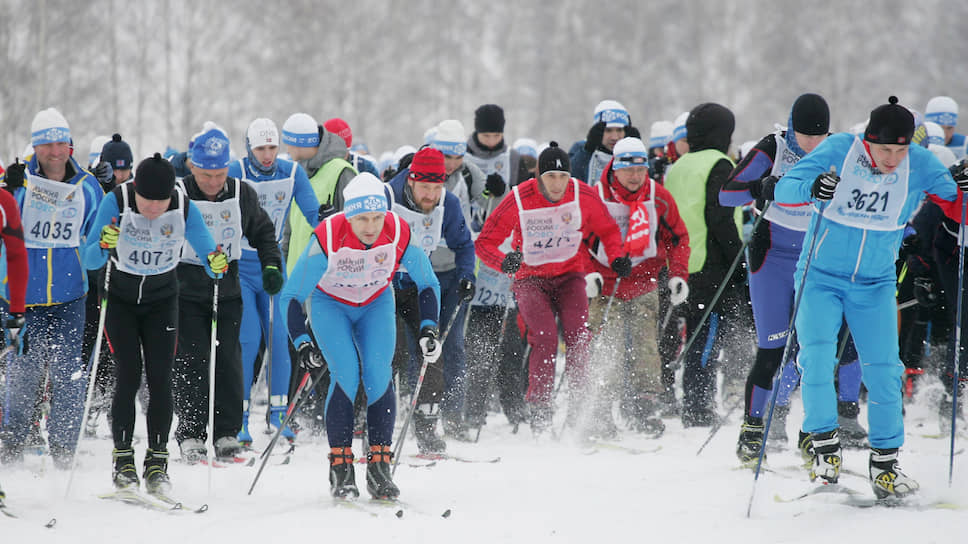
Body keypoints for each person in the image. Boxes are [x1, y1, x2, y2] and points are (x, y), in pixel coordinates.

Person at [774, 96, 966, 498]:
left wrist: (964, 189)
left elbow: (958, 210)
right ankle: (825, 445)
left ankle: (886, 463)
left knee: (884, 370)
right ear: (868, 141)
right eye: (884, 150)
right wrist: (813, 187)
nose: (892, 159)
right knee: (817, 356)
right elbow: (786, 189)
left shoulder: (920, 162)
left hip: (875, 282)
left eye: (900, 150)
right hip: (820, 276)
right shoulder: (841, 148)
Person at [719, 94, 863, 463]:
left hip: (815, 258)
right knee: (772, 349)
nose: (812, 145)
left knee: (813, 349)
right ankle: (752, 429)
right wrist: (760, 187)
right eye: (804, 136)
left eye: (820, 137)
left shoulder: (840, 151)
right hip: (772, 258)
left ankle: (808, 432)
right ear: (791, 127)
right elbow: (726, 194)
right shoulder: (775, 146)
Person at [281, 173, 440, 500]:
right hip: (331, 305)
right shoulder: (327, 236)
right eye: (362, 219)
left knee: (380, 373)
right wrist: (302, 342)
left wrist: (429, 327)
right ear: (348, 216)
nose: (371, 227)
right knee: (347, 374)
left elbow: (428, 282)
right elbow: (291, 297)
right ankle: (341, 466)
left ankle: (379, 465)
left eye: (377, 217)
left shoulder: (396, 231)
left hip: (375, 303)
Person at [84, 153, 226, 492]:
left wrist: (215, 263)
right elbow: (89, 257)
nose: (152, 209)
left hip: (162, 301)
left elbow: (209, 255)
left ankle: (157, 462)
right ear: (135, 191)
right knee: (129, 375)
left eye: (159, 202)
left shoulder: (182, 205)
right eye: (146, 202)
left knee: (161, 380)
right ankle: (122, 461)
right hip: (121, 301)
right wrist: (104, 244)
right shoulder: (116, 199)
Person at [475, 142, 630, 434]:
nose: (557, 184)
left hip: (570, 275)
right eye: (550, 177)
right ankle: (540, 409)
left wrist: (618, 256)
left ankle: (580, 409)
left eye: (562, 177)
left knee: (578, 337)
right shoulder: (519, 199)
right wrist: (504, 261)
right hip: (530, 279)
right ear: (538, 177)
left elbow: (608, 229)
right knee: (544, 337)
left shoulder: (581, 194)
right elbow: (484, 243)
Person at [0, 108, 103, 468]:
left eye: (61, 143)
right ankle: (11, 442)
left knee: (68, 372)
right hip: (23, 296)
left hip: (70, 295)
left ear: (71, 145)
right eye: (46, 144)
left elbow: (96, 234)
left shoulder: (88, 186)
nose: (55, 151)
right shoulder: (20, 180)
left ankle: (63, 447)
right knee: (23, 373)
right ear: (35, 147)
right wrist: (7, 189)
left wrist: (100, 258)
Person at [172, 124, 281, 463]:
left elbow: (264, 232)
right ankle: (191, 432)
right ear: (192, 167)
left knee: (228, 361)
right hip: (185, 288)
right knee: (191, 360)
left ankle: (226, 432)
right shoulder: (178, 192)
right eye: (206, 175)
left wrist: (271, 266)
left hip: (227, 287)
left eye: (219, 174)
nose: (214, 182)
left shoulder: (240, 192)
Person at [583, 137, 690, 437]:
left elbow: (678, 238)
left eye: (640, 170)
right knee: (608, 348)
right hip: (606, 285)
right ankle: (600, 412)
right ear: (614, 169)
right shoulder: (596, 196)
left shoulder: (658, 197)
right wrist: (587, 274)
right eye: (628, 170)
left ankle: (642, 410)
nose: (634, 177)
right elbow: (578, 239)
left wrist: (678, 274)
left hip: (644, 282)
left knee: (646, 349)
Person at [227, 118, 319, 445]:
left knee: (280, 337)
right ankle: (239, 418)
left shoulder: (291, 173)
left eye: (272, 147)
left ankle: (279, 413)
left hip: (271, 263)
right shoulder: (236, 171)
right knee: (249, 339)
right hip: (240, 264)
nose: (267, 155)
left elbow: (313, 213)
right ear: (249, 148)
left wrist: (331, 226)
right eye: (260, 148)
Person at [663, 103, 747, 427]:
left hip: (680, 265)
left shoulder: (681, 165)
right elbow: (721, 217)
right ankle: (698, 408)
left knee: (691, 336)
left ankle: (691, 401)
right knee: (707, 338)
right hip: (711, 266)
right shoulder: (720, 164)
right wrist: (737, 260)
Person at [387, 147, 475, 451]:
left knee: (430, 351)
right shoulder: (388, 197)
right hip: (382, 286)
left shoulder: (447, 205)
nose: (430, 195)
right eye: (425, 187)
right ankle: (372, 424)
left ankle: (426, 428)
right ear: (411, 180)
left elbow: (464, 245)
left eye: (437, 187)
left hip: (418, 287)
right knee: (391, 353)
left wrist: (467, 275)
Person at [82, 132, 136, 437]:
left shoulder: (136, 190)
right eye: (114, 169)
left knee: (118, 349)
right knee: (92, 344)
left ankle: (115, 411)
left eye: (125, 169)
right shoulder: (94, 186)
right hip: (94, 280)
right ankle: (89, 405)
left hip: (124, 280)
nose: (120, 175)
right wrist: (100, 183)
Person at [281, 113, 356, 273]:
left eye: (287, 145)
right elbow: (290, 230)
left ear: (298, 145)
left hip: (326, 283)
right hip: (296, 280)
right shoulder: (297, 173)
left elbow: (356, 230)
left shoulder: (341, 172)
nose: (287, 150)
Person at [464, 104, 530, 205]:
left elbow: (523, 196)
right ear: (477, 132)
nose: (491, 141)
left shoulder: (513, 158)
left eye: (497, 135)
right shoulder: (461, 155)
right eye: (486, 136)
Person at [428, 120, 486, 231]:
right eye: (447, 157)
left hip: (459, 245)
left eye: (458, 158)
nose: (452, 164)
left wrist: (497, 192)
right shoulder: (417, 170)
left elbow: (488, 201)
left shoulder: (468, 172)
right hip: (425, 244)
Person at [568, 100, 637, 186]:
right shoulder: (581, 148)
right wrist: (587, 151)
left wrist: (635, 150)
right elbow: (568, 178)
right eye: (608, 130)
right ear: (598, 131)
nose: (614, 137)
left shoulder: (632, 153)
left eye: (619, 130)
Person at [925, 96, 967, 160]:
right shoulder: (916, 144)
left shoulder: (965, 145)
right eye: (939, 128)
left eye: (949, 128)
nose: (945, 134)